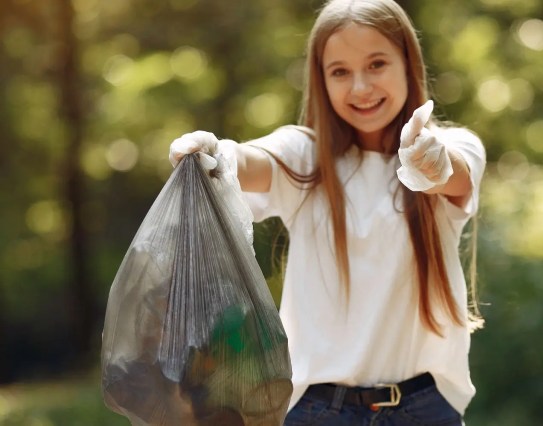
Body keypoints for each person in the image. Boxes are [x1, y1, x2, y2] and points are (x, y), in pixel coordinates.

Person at [169, 0, 486, 424]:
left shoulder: (456, 144)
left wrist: (432, 163)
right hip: (317, 412)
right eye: (340, 71)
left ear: (408, 64)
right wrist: (214, 152)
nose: (360, 87)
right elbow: (251, 161)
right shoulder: (307, 158)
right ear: (321, 80)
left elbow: (457, 174)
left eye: (376, 64)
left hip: (426, 408)